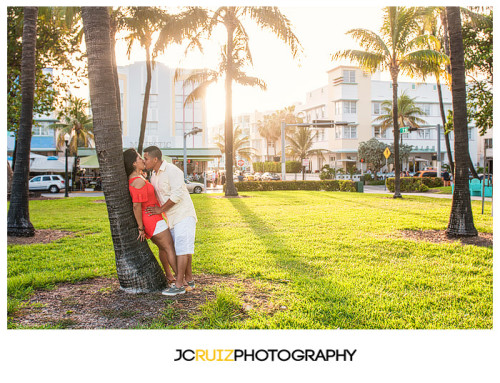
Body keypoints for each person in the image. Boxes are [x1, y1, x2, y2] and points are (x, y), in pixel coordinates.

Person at [143, 146, 197, 297]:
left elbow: (178, 194)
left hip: (183, 214)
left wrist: (160, 210)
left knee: (181, 249)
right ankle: (189, 280)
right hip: (171, 218)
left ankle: (179, 285)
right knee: (183, 248)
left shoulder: (172, 171)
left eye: (146, 158)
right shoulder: (153, 175)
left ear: (155, 159)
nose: (144, 161)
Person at [123, 148, 177, 285]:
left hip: (154, 219)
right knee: (170, 247)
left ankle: (170, 276)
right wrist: (141, 228)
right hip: (152, 220)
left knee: (164, 248)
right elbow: (136, 206)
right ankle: (181, 280)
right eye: (139, 158)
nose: (142, 160)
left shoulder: (138, 178)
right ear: (134, 164)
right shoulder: (138, 181)